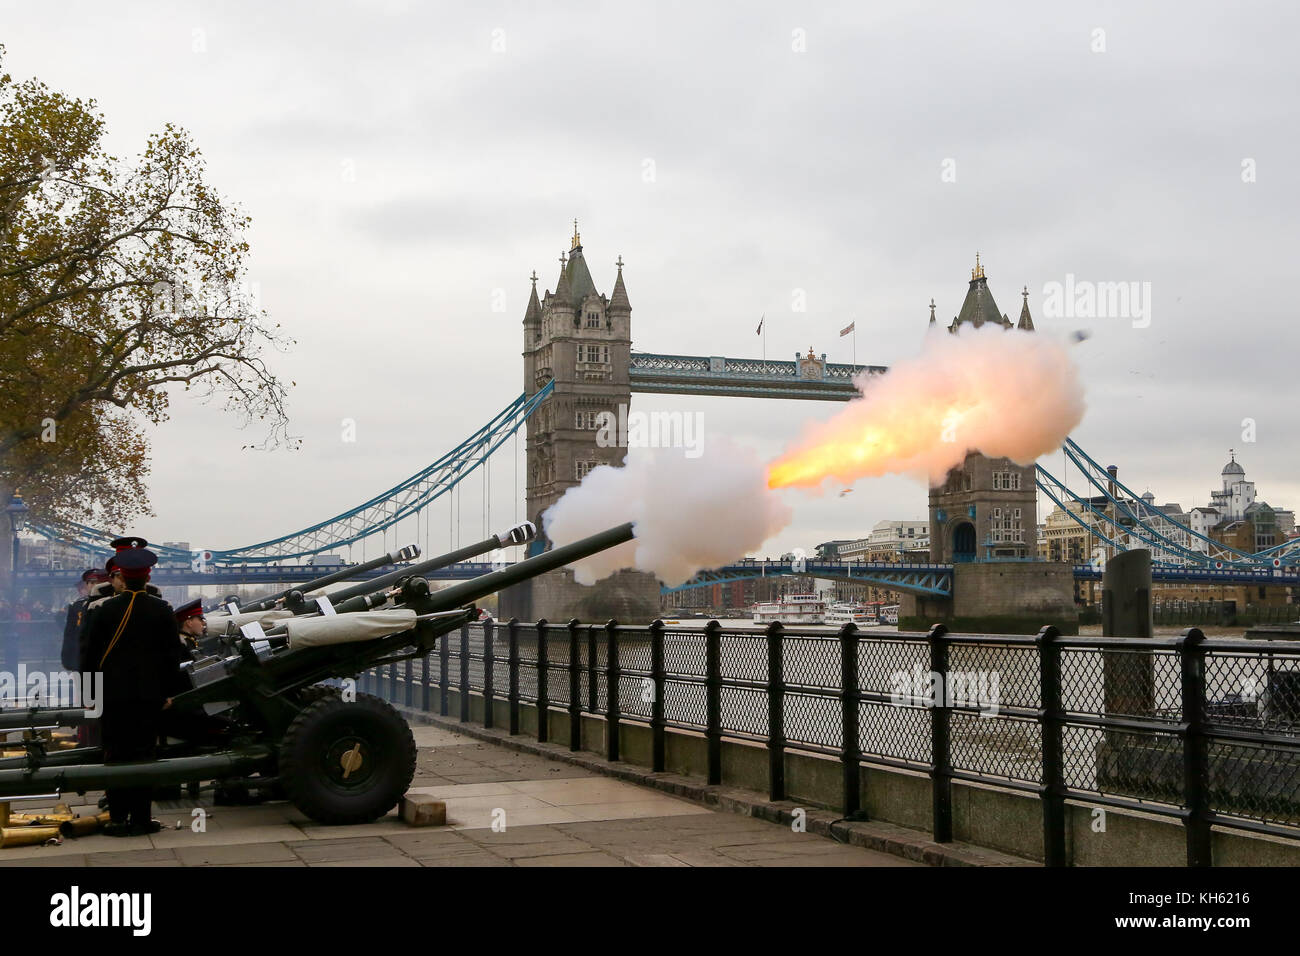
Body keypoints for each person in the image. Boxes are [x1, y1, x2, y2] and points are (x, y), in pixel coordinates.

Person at [80, 546, 177, 837]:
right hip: (149, 697)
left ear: (119, 577)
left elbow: (89, 657)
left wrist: (90, 696)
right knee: (144, 754)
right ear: (148, 577)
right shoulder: (162, 610)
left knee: (115, 753)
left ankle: (117, 817)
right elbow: (171, 657)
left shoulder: (105, 610)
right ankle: (142, 818)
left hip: (112, 696)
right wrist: (167, 692)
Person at [61, 569, 106, 672]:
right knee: (84, 687)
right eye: (91, 582)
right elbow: (69, 634)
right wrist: (68, 659)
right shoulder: (77, 606)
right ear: (86, 585)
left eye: (97, 582)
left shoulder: (110, 603)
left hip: (102, 657)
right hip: (81, 657)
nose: (94, 585)